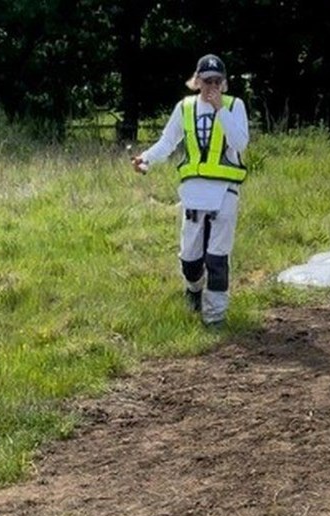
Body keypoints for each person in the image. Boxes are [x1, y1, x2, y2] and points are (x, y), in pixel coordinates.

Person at [132, 54, 250, 328]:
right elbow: (168, 141)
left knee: (218, 258)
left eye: (217, 81)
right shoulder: (185, 108)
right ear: (196, 82)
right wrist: (146, 160)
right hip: (194, 194)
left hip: (225, 192)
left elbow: (240, 142)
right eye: (207, 81)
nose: (212, 86)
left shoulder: (234, 106)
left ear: (224, 83)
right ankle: (194, 290)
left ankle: (215, 318)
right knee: (190, 260)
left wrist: (220, 110)